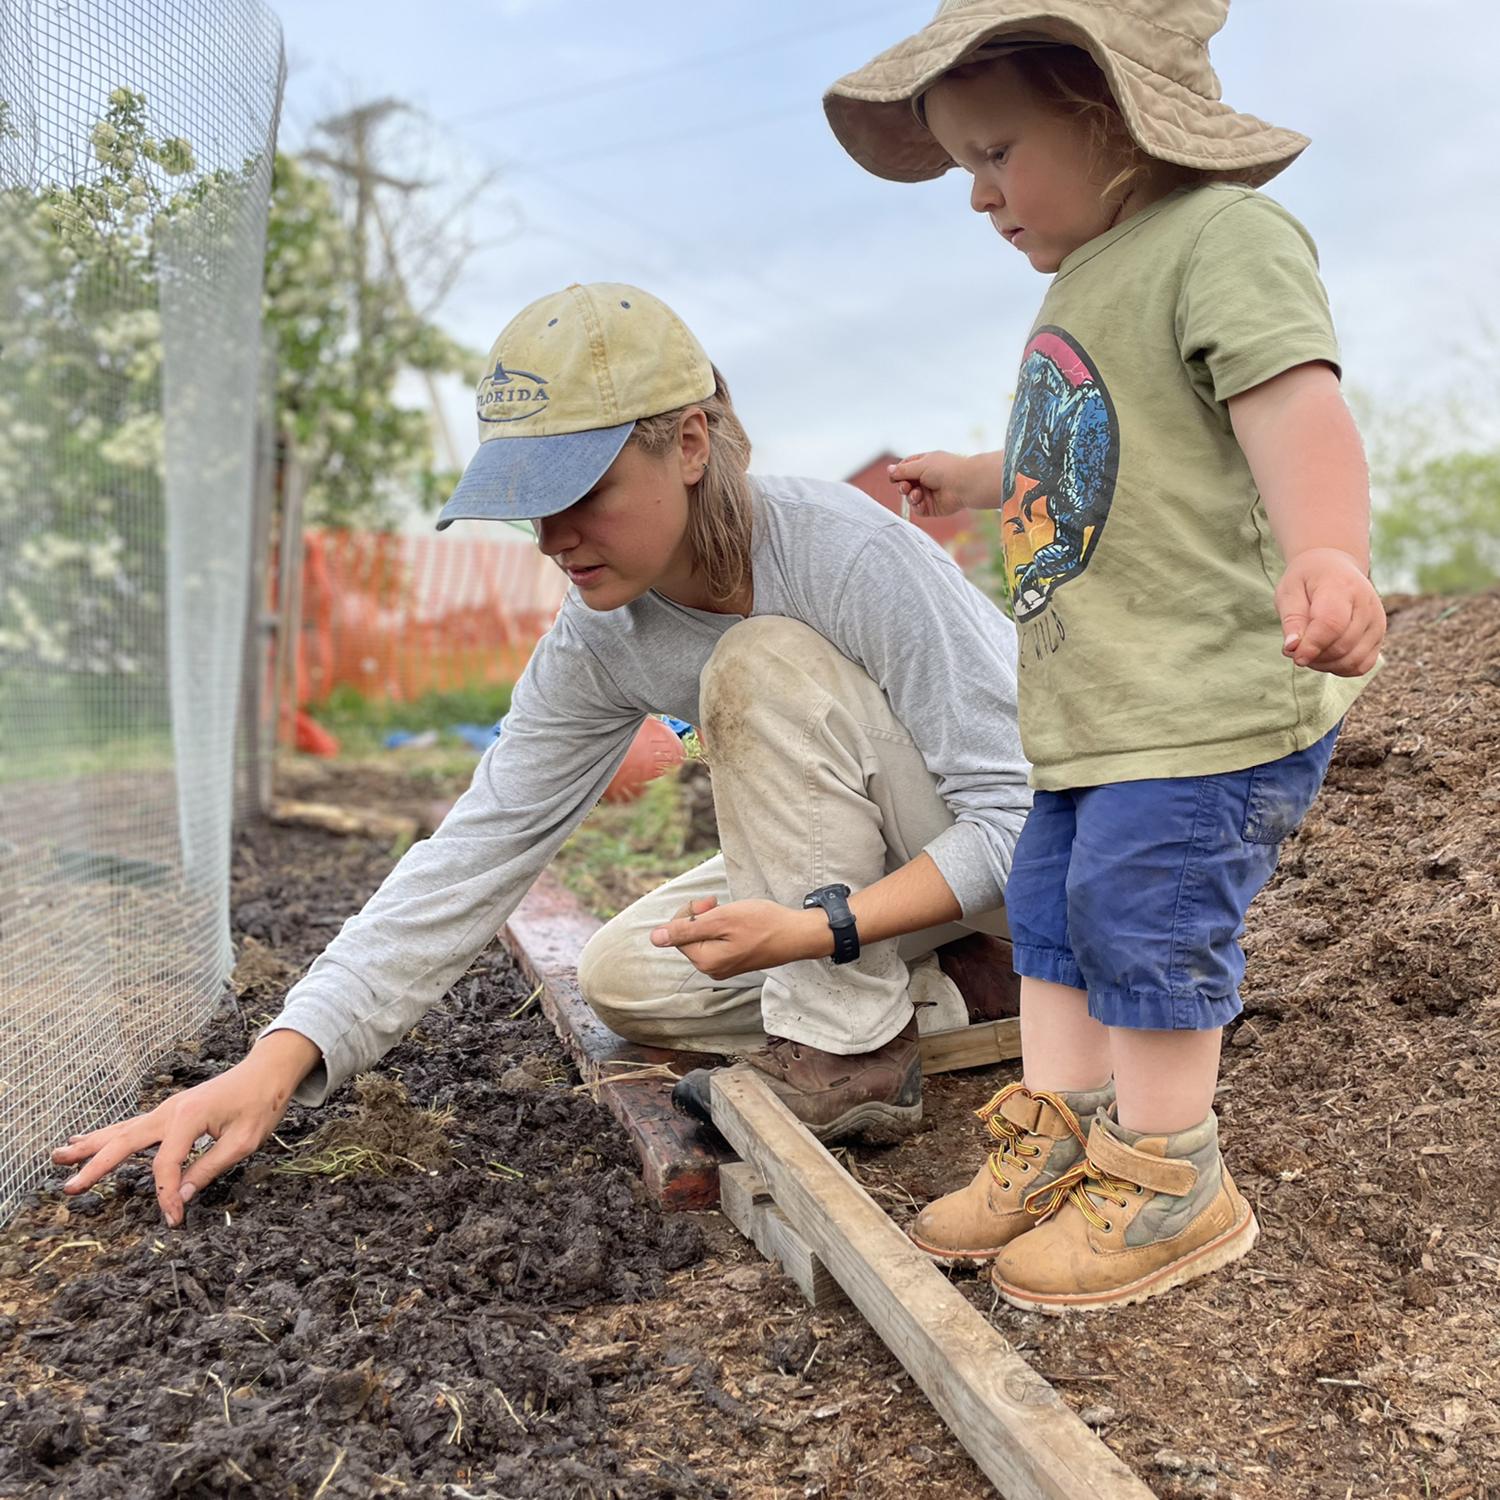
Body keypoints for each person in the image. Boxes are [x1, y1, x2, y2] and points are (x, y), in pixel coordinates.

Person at [53, 281, 1032, 1225]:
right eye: (532, 501)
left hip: (1043, 861)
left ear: (690, 443)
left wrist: (824, 931)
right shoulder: (601, 635)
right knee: (625, 977)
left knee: (759, 661)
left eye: (585, 492)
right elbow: (474, 851)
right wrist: (276, 1065)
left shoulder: (839, 550)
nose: (552, 537)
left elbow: (1026, 817)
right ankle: (970, 984)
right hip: (911, 895)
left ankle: (855, 1053)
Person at [821, 0, 1385, 1312]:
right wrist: (979, 473)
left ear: (1116, 117)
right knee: (1062, 926)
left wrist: (1328, 554)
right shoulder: (1086, 279)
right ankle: (1066, 1136)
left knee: (1148, 919)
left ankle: (1173, 1178)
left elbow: (1294, 400)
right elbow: (1097, 446)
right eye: (965, 166)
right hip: (1098, 709)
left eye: (998, 153)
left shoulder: (1221, 237)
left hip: (1202, 699)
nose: (977, 196)